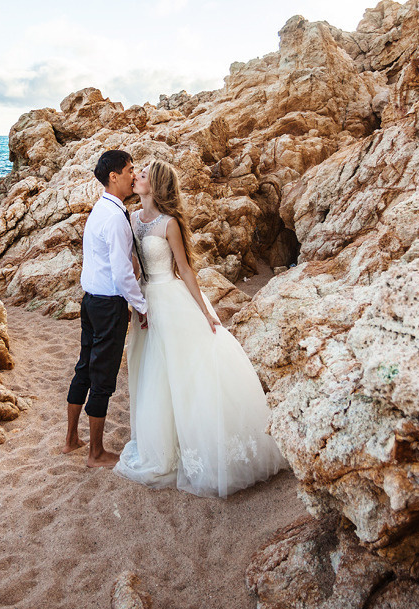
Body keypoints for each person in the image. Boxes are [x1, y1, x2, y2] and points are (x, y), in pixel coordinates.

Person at [114, 159, 287, 497]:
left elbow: (185, 270)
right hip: (146, 301)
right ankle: (161, 442)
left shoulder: (170, 224)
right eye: (137, 173)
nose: (136, 177)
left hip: (171, 300)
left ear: (156, 185)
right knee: (150, 372)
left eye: (143, 175)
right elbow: (128, 264)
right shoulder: (132, 218)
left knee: (183, 372)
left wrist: (204, 312)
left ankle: (191, 444)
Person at [61, 149, 149, 468]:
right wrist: (141, 306)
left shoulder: (102, 208)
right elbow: (121, 272)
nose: (133, 174)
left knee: (84, 367)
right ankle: (95, 453)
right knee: (103, 378)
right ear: (114, 176)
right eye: (129, 169)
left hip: (91, 301)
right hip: (109, 304)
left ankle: (71, 439)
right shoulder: (114, 216)